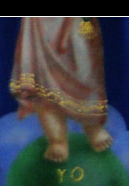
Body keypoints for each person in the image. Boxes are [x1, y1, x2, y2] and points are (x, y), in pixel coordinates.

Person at [10, 17, 113, 161]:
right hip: (40, 27)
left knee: (86, 74)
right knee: (43, 86)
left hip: (76, 26)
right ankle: (57, 140)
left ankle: (92, 126)